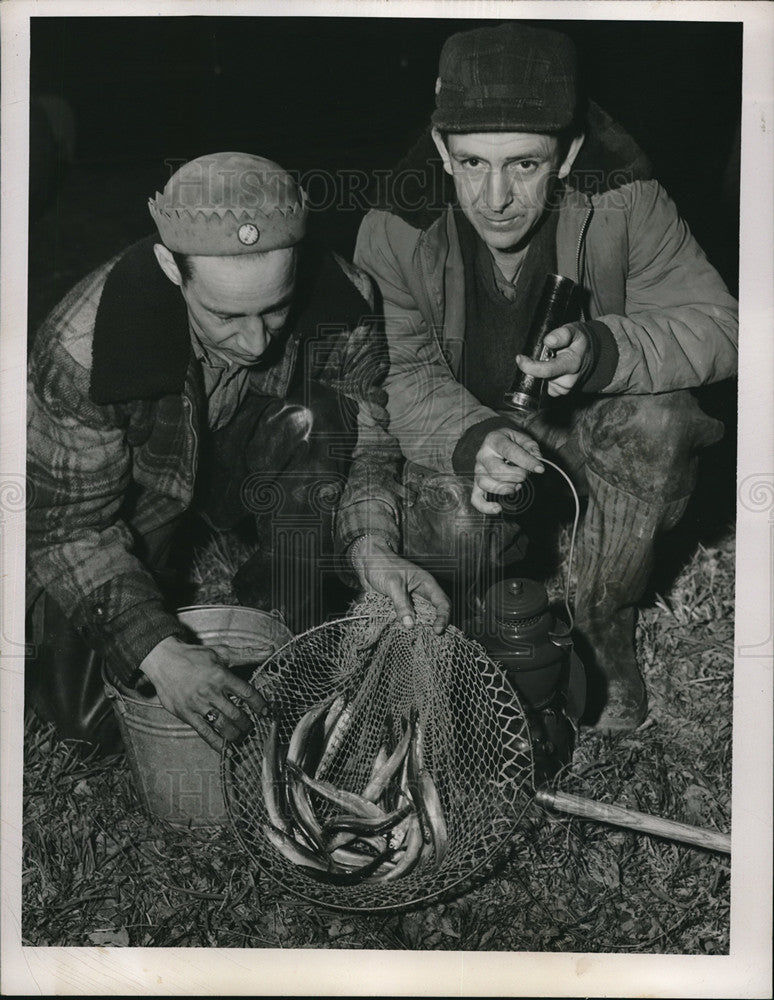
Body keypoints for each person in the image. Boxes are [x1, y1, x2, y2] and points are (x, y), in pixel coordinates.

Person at [354, 23, 738, 732]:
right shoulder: (395, 230)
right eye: (470, 163)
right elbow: (400, 375)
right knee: (453, 527)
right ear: (441, 148)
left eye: (525, 165)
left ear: (568, 154)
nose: (494, 197)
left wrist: (605, 351)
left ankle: (599, 624)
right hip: (478, 433)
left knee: (662, 420)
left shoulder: (627, 199)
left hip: (585, 428)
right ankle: (482, 631)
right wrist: (472, 439)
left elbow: (724, 325)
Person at [26, 151, 449, 754]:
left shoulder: (344, 299)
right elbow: (66, 527)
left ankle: (286, 606)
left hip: (249, 459)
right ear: (173, 269)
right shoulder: (80, 351)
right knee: (88, 725)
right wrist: (159, 652)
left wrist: (372, 547)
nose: (256, 342)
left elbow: (367, 450)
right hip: (140, 501)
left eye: (275, 309)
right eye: (225, 315)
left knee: (319, 418)